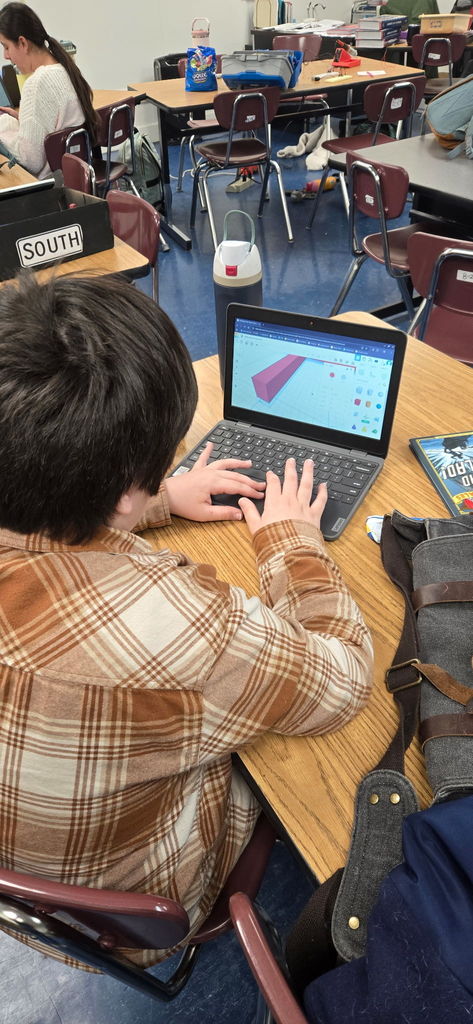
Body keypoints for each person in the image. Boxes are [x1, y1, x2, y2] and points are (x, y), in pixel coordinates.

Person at [0, 271, 373, 968]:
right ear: (119, 495)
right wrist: (290, 539)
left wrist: (155, 496)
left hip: (32, 901)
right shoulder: (175, 625)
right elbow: (341, 680)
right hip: (143, 909)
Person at [0, 2, 99, 176]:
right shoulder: (64, 69)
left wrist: (4, 125)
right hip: (72, 181)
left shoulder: (38, 82)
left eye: (6, 46)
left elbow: (30, 162)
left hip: (46, 191)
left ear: (22, 43)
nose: (5, 55)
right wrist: (25, 120)